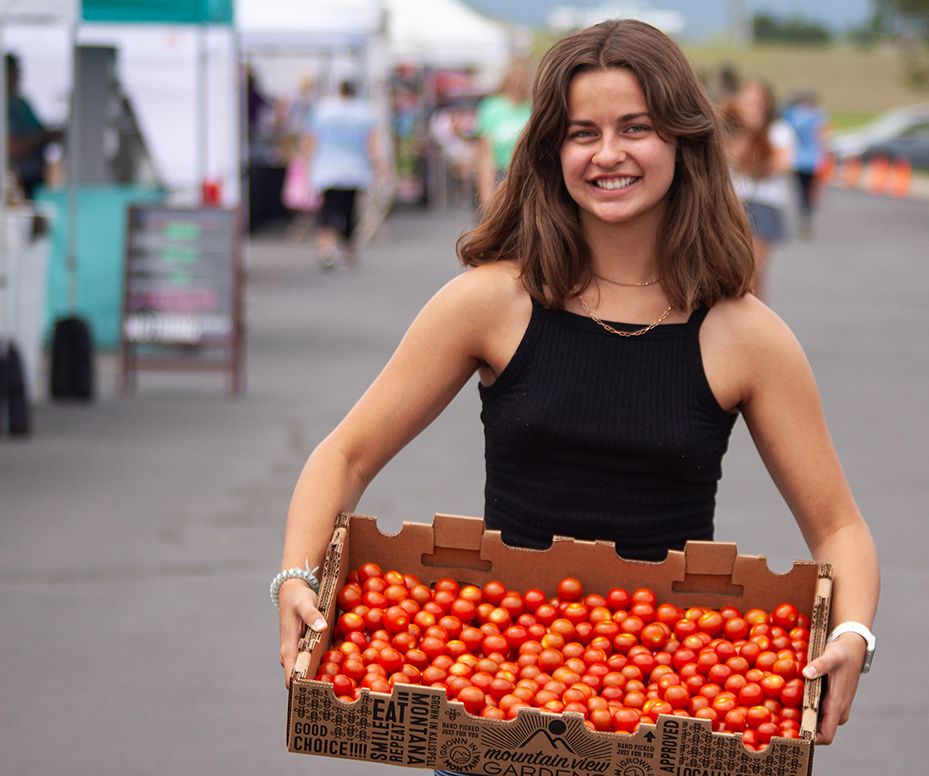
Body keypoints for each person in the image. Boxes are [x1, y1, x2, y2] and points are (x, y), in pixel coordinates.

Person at [275, 20, 879, 747]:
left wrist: (851, 632)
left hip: (667, 699)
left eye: (636, 127)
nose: (609, 154)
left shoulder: (745, 335)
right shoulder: (490, 302)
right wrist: (296, 578)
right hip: (494, 689)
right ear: (551, 150)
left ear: (683, 141)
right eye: (582, 132)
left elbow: (839, 526)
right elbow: (345, 455)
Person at [301, 80, 382, 270]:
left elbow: (310, 138)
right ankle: (348, 247)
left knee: (327, 209)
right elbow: (372, 143)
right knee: (350, 209)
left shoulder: (323, 110)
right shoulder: (365, 112)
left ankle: (327, 249)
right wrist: (378, 165)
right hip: (355, 169)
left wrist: (305, 164)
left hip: (327, 168)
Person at [725, 80, 794, 299]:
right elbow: (732, 158)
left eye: (757, 100)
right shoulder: (732, 130)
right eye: (747, 99)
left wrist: (757, 158)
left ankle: (758, 322)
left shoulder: (778, 130)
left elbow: (782, 164)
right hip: (734, 202)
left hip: (764, 202)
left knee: (755, 272)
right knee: (732, 269)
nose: (752, 105)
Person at [473, 59, 532, 206]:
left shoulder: (532, 108)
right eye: (516, 75)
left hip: (527, 177)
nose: (520, 81)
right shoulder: (492, 108)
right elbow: (485, 154)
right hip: (500, 176)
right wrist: (486, 195)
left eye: (523, 76)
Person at [6, 53, 62, 199]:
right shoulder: (5, 107)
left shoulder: (22, 103)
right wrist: (44, 137)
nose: (18, 77)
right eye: (13, 72)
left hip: (37, 180)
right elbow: (12, 148)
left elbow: (40, 128)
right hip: (18, 182)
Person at [782, 90, 828, 238]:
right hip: (813, 159)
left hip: (797, 158)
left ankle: (804, 212)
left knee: (801, 189)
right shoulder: (818, 115)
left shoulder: (792, 114)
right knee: (810, 190)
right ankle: (807, 212)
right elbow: (822, 136)